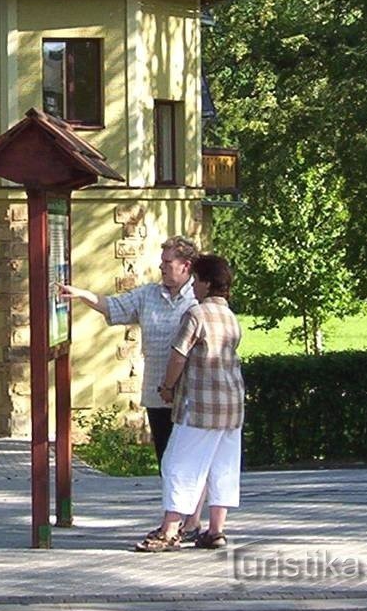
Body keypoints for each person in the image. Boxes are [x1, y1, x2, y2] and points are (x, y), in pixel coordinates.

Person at [59, 235, 199, 487]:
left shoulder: (198, 298)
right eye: (162, 261)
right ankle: (172, 517)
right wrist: (81, 295)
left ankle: (190, 518)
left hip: (190, 395)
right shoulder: (148, 295)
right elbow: (112, 306)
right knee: (166, 462)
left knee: (190, 462)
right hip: (158, 394)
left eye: (168, 262)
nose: (161, 267)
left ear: (185, 266)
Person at [134, 254, 245, 552]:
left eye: (196, 280)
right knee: (222, 466)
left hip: (199, 406)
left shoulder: (196, 314)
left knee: (178, 464)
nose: (193, 286)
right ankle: (216, 530)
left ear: (207, 283)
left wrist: (168, 387)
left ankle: (170, 530)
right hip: (232, 406)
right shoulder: (230, 316)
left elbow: (178, 356)